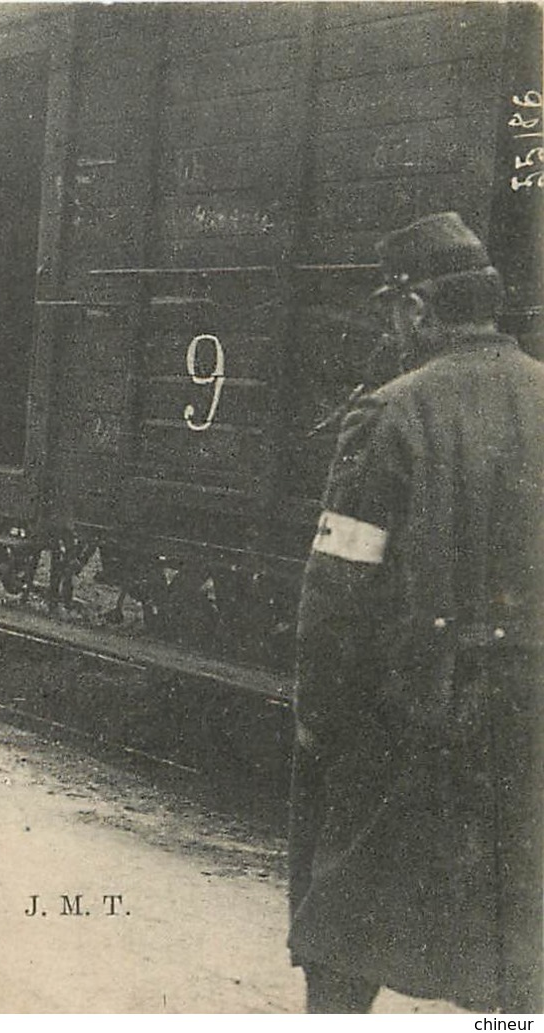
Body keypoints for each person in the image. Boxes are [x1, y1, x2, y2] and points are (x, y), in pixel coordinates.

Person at [288, 212, 543, 1014]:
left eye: (392, 311)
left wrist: (318, 712)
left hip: (407, 708)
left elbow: (339, 587)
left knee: (341, 918)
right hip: (527, 710)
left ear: (416, 309)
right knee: (511, 925)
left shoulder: (391, 412)